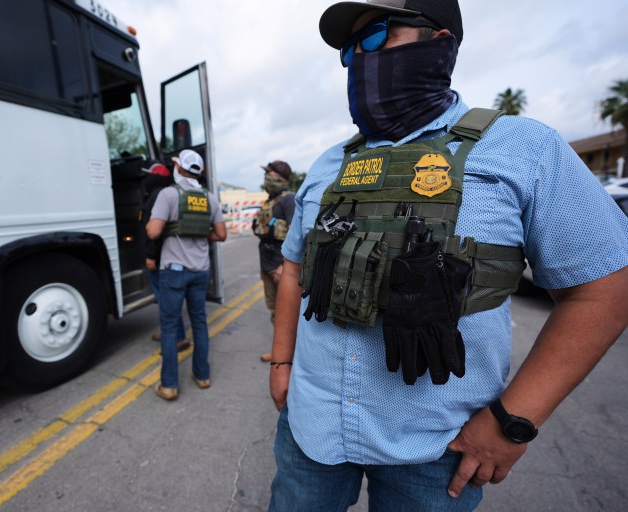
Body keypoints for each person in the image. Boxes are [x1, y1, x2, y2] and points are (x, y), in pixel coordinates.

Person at [267, 1, 628, 511]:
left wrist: (513, 421)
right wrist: (281, 363)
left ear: (437, 41)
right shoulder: (329, 164)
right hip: (311, 425)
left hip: (438, 448)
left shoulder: (521, 148)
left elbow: (605, 289)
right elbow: (294, 271)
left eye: (376, 37)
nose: (358, 59)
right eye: (349, 50)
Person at [146, 149, 227, 400]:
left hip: (174, 272)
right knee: (200, 324)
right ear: (198, 172)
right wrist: (200, 233)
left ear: (179, 168)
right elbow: (221, 235)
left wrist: (173, 228)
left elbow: (153, 232)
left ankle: (169, 385)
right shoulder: (210, 198)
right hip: (200, 271)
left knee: (170, 328)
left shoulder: (169, 194)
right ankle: (202, 375)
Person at [139, 160, 189, 352]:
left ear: (156, 177)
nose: (145, 179)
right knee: (163, 300)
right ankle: (168, 331)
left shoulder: (159, 196)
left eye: (148, 175)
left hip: (160, 259)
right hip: (160, 257)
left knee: (167, 300)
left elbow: (156, 232)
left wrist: (151, 255)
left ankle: (179, 337)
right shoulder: (156, 195)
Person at [252, 161, 296, 363]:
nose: (266, 177)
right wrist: (263, 268)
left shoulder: (289, 200)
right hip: (268, 265)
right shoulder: (270, 201)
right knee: (275, 312)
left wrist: (285, 266)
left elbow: (297, 237)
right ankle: (281, 352)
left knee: (287, 315)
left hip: (281, 267)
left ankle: (291, 356)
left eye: (269, 173)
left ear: (280, 176)